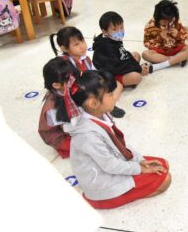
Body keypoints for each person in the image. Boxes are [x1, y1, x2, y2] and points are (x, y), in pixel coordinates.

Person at [57, 70, 171, 209]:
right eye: (110, 94)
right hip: (102, 187)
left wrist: (140, 160)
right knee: (165, 179)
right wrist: (140, 169)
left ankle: (135, 185)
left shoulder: (101, 115)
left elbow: (119, 144)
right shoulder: (87, 136)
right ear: (93, 103)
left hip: (111, 165)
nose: (114, 97)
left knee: (163, 164)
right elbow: (110, 165)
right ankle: (121, 197)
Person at [50, 26, 126, 118]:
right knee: (105, 92)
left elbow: (93, 74)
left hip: (88, 89)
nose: (82, 46)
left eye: (82, 41)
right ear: (65, 49)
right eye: (76, 44)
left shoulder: (85, 59)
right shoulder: (64, 66)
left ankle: (108, 105)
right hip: (77, 97)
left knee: (117, 85)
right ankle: (106, 107)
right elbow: (69, 89)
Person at [92, 11, 151, 87]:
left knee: (136, 55)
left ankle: (130, 77)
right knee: (137, 77)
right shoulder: (105, 47)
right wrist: (138, 68)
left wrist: (136, 67)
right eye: (114, 29)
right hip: (112, 73)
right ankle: (120, 82)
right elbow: (116, 67)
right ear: (105, 32)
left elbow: (123, 54)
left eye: (121, 27)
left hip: (118, 64)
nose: (119, 31)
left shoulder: (114, 38)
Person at [38, 57, 79, 158]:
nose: (74, 80)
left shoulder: (68, 88)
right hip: (60, 135)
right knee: (84, 145)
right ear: (56, 85)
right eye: (69, 79)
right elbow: (68, 128)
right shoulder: (53, 108)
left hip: (69, 126)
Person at [142, 0, 188, 70]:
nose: (168, 23)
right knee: (145, 54)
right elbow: (147, 43)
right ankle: (177, 59)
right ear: (157, 17)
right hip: (160, 52)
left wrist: (177, 35)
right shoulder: (150, 25)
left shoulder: (175, 21)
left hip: (176, 48)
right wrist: (159, 38)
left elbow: (184, 37)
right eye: (164, 22)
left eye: (170, 20)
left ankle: (166, 62)